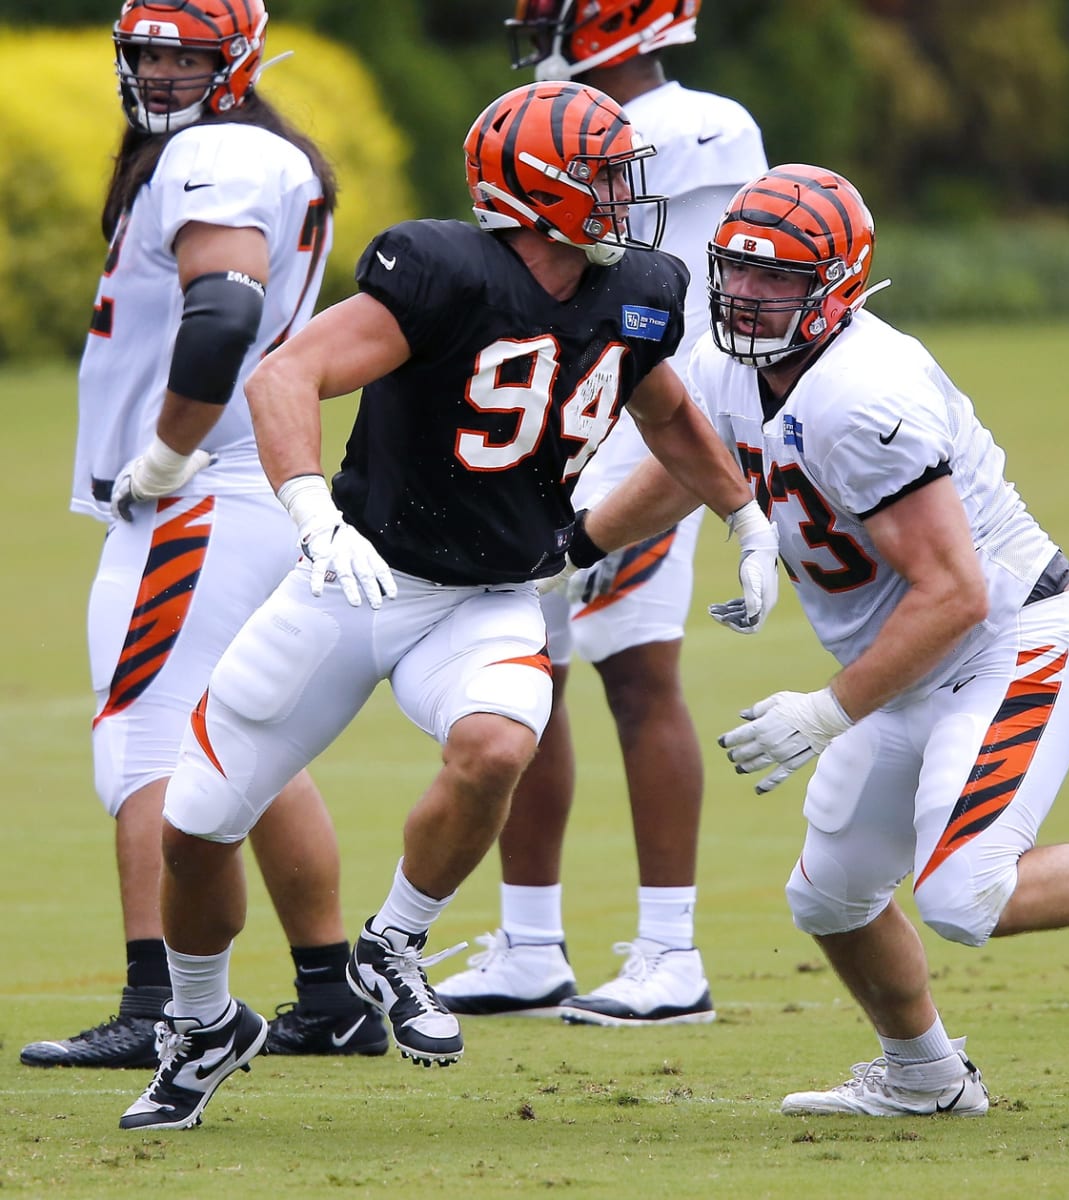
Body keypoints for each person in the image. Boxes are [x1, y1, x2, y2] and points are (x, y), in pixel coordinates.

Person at [115, 79, 779, 1131]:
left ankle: (395, 942)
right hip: (357, 580)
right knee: (195, 830)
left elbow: (665, 407)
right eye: (602, 175)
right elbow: (285, 378)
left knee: (498, 746)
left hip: (493, 598)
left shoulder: (638, 288)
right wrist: (309, 513)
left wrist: (744, 516)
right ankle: (202, 1025)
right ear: (538, 188)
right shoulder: (438, 272)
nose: (623, 196)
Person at [577, 163, 1069, 1116]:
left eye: (780, 278)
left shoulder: (863, 393)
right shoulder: (730, 364)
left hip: (1009, 645)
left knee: (963, 898)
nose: (748, 295)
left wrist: (823, 713)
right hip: (913, 665)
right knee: (830, 898)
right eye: (739, 271)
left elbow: (953, 592)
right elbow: (692, 464)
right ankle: (924, 1076)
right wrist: (579, 545)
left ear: (838, 285)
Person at [22, 0, 389, 1072]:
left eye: (190, 55)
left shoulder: (221, 152)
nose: (166, 74)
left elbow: (222, 314)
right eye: (150, 53)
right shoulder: (235, 149)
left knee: (144, 736)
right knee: (245, 744)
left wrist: (172, 449)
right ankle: (331, 992)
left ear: (236, 61)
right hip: (241, 483)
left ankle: (163, 1004)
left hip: (203, 488)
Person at [434, 0, 768, 1029]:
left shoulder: (675, 129)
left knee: (638, 672)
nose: (539, 29)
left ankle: (671, 952)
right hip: (580, 419)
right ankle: (531, 944)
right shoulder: (710, 122)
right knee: (529, 678)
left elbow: (640, 295)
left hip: (641, 425)